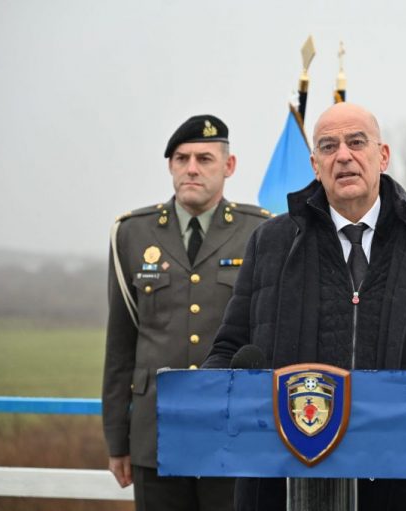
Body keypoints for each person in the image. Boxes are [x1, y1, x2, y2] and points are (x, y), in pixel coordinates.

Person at [203, 103, 406, 511]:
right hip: (283, 488)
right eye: (329, 147)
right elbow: (229, 349)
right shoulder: (269, 243)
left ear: (383, 156)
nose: (343, 156)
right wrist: (206, 397)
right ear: (315, 165)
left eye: (356, 142)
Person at [102, 114, 272, 511]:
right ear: (170, 166)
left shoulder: (261, 232)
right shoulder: (131, 233)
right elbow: (121, 345)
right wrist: (117, 440)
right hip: (155, 433)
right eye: (181, 158)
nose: (191, 168)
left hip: (234, 432)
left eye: (204, 158)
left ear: (229, 166)